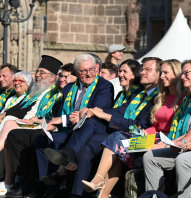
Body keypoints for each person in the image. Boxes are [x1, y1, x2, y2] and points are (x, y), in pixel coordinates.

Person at [45, 57, 160, 198]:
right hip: (122, 134)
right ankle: (76, 192)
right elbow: (119, 111)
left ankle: (84, 176)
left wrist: (103, 115)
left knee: (97, 129)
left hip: (144, 139)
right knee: (89, 140)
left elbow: (139, 127)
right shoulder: (139, 94)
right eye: (142, 69)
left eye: (147, 69)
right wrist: (93, 111)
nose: (142, 72)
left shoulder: (157, 97)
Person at [6, 53, 114, 198]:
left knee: (87, 122)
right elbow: (60, 112)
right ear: (76, 72)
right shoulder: (69, 87)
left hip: (93, 128)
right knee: (42, 139)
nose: (88, 74)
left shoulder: (104, 86)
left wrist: (63, 120)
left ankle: (67, 161)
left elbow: (95, 111)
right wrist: (53, 125)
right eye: (83, 71)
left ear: (97, 68)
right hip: (70, 127)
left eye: (91, 70)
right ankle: (47, 185)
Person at [0, 55, 63, 196]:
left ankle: (16, 181)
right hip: (34, 125)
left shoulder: (58, 94)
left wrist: (35, 121)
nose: (37, 76)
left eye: (41, 72)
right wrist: (28, 120)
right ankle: (16, 180)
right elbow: (32, 110)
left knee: (13, 127)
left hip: (47, 127)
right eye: (37, 71)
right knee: (12, 131)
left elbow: (54, 115)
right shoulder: (41, 91)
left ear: (52, 77)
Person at [143, 59, 191, 198]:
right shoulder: (188, 100)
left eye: (187, 73)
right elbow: (188, 132)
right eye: (182, 73)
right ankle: (154, 195)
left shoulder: (186, 98)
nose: (183, 76)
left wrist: (182, 142)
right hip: (185, 144)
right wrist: (177, 142)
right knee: (149, 157)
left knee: (183, 160)